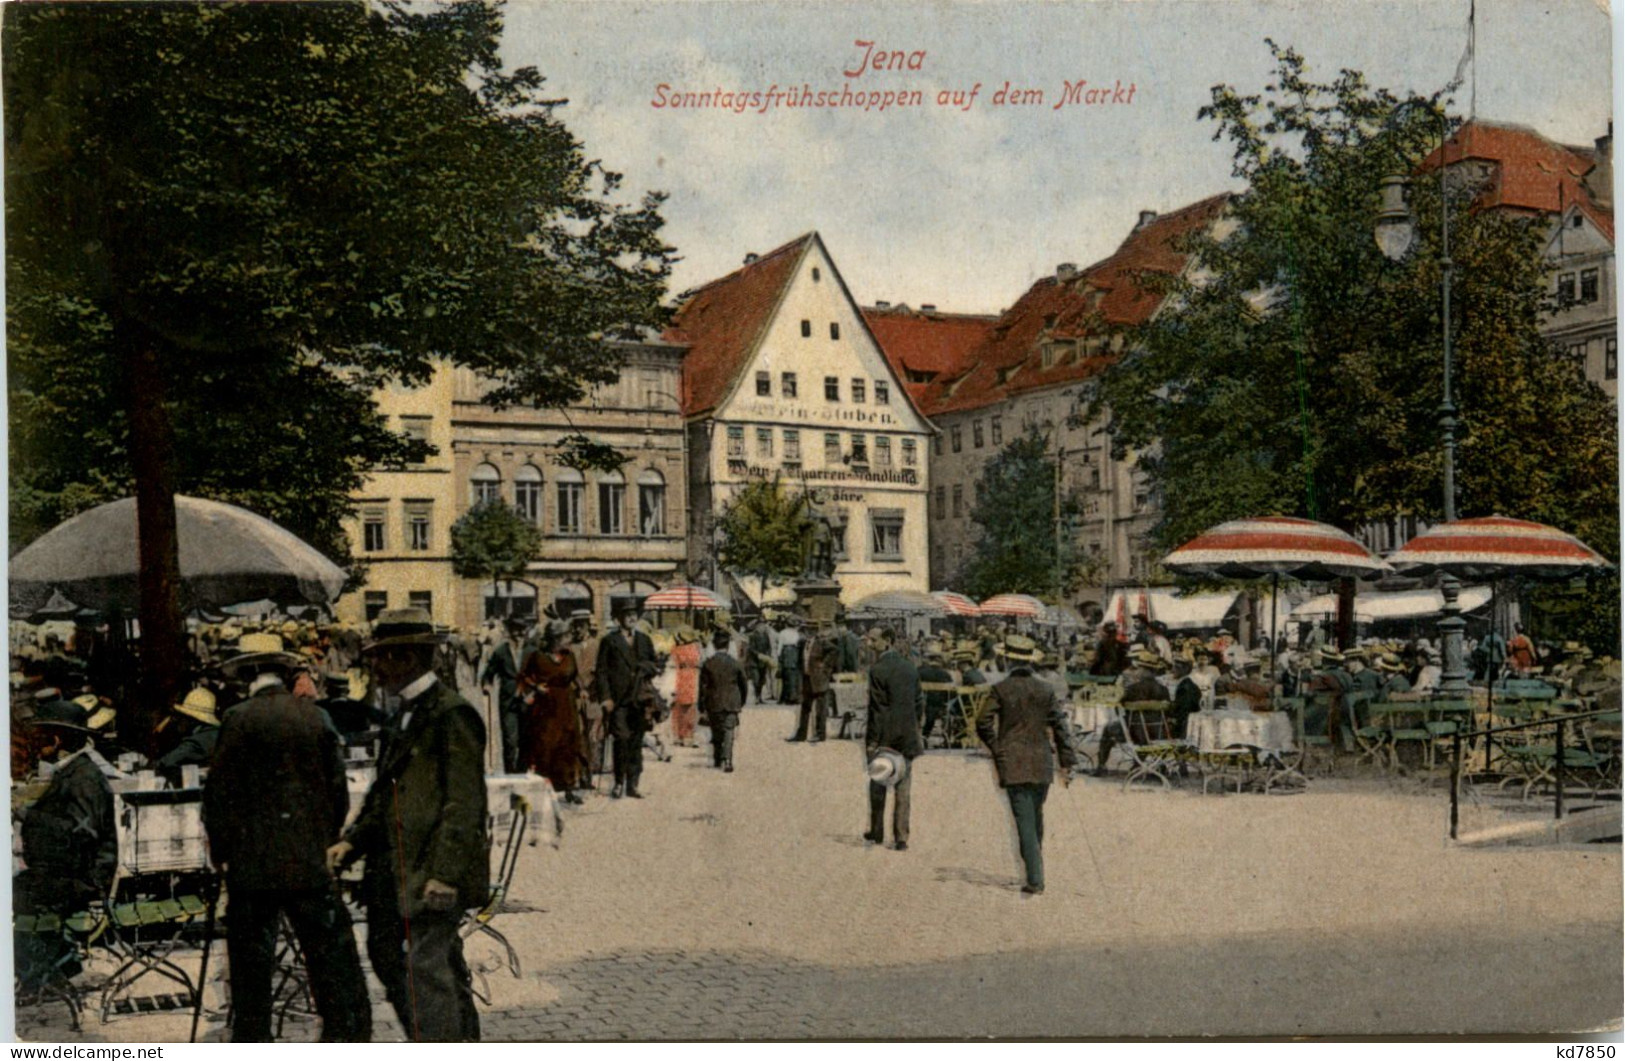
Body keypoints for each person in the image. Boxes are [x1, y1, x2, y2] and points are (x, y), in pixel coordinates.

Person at [329, 609, 488, 1042]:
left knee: (427, 974)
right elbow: (385, 794)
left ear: (406, 658)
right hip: (394, 873)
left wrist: (444, 874)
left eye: (379, 658)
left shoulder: (451, 714)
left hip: (427, 874)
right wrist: (352, 842)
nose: (374, 668)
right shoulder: (406, 712)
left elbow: (464, 805)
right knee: (392, 959)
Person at [204, 636, 370, 1043]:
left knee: (252, 967)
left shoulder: (237, 718)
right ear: (285, 673)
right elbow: (338, 793)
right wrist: (324, 840)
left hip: (252, 866)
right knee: (326, 960)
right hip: (309, 862)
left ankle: (254, 1039)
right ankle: (342, 1039)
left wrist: (223, 853)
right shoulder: (315, 717)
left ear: (245, 677)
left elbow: (219, 796)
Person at [14, 698, 118, 992]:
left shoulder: (83, 777)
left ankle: (45, 974)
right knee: (20, 888)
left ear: (56, 739)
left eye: (41, 736)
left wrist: (27, 816)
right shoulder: (74, 772)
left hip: (83, 878)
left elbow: (82, 833)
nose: (37, 743)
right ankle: (50, 972)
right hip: (69, 872)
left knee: (16, 893)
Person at [976, 643, 1078, 895]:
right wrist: (1067, 762)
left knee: (1024, 818)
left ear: (1007, 660)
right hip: (1041, 758)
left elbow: (982, 722)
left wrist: (995, 746)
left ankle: (1035, 878)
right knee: (1035, 813)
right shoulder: (1045, 689)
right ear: (1031, 661)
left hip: (1011, 759)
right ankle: (1035, 865)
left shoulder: (1001, 688)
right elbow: (1061, 728)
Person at [863, 626, 924, 851]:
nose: (870, 644)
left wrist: (871, 741)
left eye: (874, 640)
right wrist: (915, 728)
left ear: (887, 641)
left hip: (885, 735)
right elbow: (919, 702)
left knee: (878, 782)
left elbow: (876, 709)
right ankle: (901, 837)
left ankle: (876, 831)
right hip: (907, 734)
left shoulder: (877, 669)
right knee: (903, 786)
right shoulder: (910, 668)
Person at [595, 601, 658, 799]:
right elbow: (601, 672)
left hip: (639, 700)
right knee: (621, 740)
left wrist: (644, 667)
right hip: (618, 701)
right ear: (618, 619)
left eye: (634, 614)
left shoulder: (644, 640)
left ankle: (633, 783)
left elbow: (655, 665)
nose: (631, 618)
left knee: (636, 741)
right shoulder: (609, 641)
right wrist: (605, 698)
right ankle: (619, 782)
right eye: (627, 614)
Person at [517, 620, 585, 803]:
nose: (570, 639)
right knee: (546, 747)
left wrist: (582, 689)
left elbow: (575, 676)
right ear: (556, 638)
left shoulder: (569, 656)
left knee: (568, 744)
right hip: (545, 708)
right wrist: (536, 687)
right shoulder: (537, 657)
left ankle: (569, 787)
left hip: (566, 705)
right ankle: (546, 788)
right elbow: (524, 677)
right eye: (566, 636)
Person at [1093, 649, 1171, 776]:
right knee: (1143, 727)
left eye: (1140, 668)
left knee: (1108, 728)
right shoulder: (1163, 690)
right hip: (1158, 733)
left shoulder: (1133, 689)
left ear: (1144, 671)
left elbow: (1119, 705)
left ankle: (1101, 765)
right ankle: (1144, 764)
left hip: (1135, 732)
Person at [480, 617, 528, 773]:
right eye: (516, 630)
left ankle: (522, 773)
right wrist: (487, 685)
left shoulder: (532, 651)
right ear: (509, 632)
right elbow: (488, 674)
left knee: (526, 740)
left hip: (529, 701)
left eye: (522, 630)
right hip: (508, 702)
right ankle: (511, 773)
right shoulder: (501, 652)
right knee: (510, 740)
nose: (519, 634)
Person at [699, 629, 748, 771]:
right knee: (729, 731)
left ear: (714, 645)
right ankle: (727, 760)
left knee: (716, 730)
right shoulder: (735, 663)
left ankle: (717, 757)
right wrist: (741, 701)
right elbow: (743, 684)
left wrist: (701, 706)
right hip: (732, 701)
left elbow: (702, 686)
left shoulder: (708, 664)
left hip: (713, 701)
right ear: (728, 646)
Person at [567, 612, 605, 789]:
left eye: (581, 626)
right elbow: (569, 672)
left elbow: (601, 670)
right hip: (575, 696)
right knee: (577, 735)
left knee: (592, 737)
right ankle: (577, 776)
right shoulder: (569, 648)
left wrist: (592, 688)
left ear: (588, 626)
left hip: (593, 696)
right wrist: (579, 688)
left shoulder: (597, 646)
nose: (578, 630)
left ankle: (589, 775)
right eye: (575, 626)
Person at [153, 686, 221, 783]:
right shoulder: (217, 732)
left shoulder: (197, 742)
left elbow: (165, 763)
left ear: (190, 720)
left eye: (182, 717)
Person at [790, 622, 836, 743]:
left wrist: (825, 666)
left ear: (814, 631)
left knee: (821, 709)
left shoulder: (821, 642)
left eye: (809, 630)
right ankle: (801, 734)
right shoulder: (803, 643)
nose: (806, 633)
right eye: (805, 630)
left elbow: (834, 651)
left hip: (819, 679)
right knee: (805, 708)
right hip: (807, 678)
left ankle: (820, 734)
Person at [917, 646, 958, 747]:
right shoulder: (945, 674)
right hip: (941, 705)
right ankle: (945, 733)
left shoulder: (920, 672)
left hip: (923, 705)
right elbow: (952, 693)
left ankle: (924, 735)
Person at [668, 627, 703, 747]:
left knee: (678, 709)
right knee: (691, 709)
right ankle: (689, 735)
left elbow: (673, 663)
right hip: (692, 677)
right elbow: (699, 662)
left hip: (679, 677)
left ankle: (678, 735)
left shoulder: (675, 649)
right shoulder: (695, 648)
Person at [746, 617, 775, 703]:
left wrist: (768, 655)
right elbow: (751, 648)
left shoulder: (766, 635)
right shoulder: (752, 635)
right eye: (761, 625)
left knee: (762, 680)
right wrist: (758, 654)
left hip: (763, 660)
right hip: (754, 661)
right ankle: (756, 697)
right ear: (757, 626)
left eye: (763, 625)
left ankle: (759, 697)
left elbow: (769, 646)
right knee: (756, 679)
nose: (762, 627)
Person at [776, 618, 803, 705]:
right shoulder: (796, 633)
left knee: (785, 677)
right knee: (793, 676)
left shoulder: (783, 632)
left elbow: (780, 646)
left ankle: (787, 697)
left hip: (786, 653)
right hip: (794, 653)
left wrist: (779, 656)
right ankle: (791, 696)